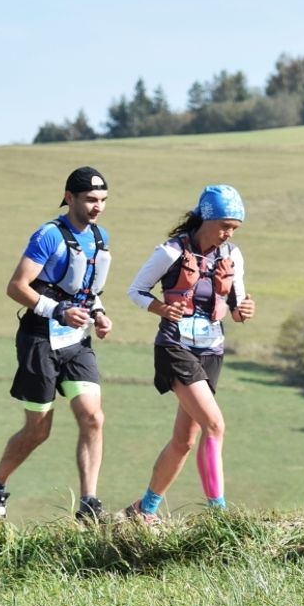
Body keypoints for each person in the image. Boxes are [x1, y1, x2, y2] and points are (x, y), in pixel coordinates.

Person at [0, 166, 114, 523]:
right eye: (90, 199)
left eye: (102, 200)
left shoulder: (99, 238)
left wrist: (99, 314)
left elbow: (87, 290)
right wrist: (59, 311)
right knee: (39, 431)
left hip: (76, 342)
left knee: (93, 417)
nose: (97, 207)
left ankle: (89, 504)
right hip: (39, 339)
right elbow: (17, 286)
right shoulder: (48, 235)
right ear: (70, 198)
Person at [123, 184, 255, 523]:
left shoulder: (233, 256)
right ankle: (219, 515)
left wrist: (244, 311)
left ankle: (144, 510)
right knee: (215, 425)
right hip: (175, 347)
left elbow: (237, 308)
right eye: (225, 225)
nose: (228, 234)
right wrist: (160, 309)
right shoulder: (170, 252)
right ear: (205, 219)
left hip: (211, 351)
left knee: (184, 441)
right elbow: (135, 290)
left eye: (234, 228)